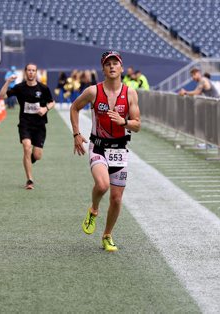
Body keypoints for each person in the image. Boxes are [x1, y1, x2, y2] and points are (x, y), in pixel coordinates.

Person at [70, 51, 141, 252]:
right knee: (102, 186)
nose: (112, 66)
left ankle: (107, 235)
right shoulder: (93, 91)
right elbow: (75, 107)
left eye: (115, 63)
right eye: (108, 64)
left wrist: (124, 122)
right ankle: (93, 209)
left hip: (120, 148)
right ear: (103, 68)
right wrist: (76, 134)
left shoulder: (130, 93)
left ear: (121, 67)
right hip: (98, 146)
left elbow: (137, 125)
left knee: (117, 198)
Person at [0, 63, 55, 190]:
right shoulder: (19, 88)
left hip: (39, 125)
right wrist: (7, 82)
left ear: (36, 73)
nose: (31, 73)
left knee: (37, 155)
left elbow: (52, 102)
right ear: (25, 72)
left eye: (33, 70)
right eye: (28, 70)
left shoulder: (43, 88)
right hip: (25, 124)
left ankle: (28, 159)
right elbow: (1, 96)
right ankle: (30, 180)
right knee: (26, 147)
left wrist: (45, 109)